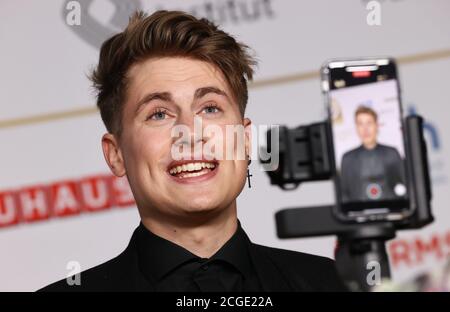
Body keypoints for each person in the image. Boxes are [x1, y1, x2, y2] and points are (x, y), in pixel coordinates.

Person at [40, 10, 346, 292]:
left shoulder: (333, 284)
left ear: (246, 139)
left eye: (210, 108)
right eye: (159, 114)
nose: (190, 133)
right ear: (115, 153)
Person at [340, 106, 405, 202]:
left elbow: (405, 186)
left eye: (369, 123)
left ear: (376, 125)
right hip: (358, 214)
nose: (365, 129)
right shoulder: (348, 159)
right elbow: (344, 194)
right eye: (360, 124)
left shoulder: (392, 154)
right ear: (356, 128)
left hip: (391, 212)